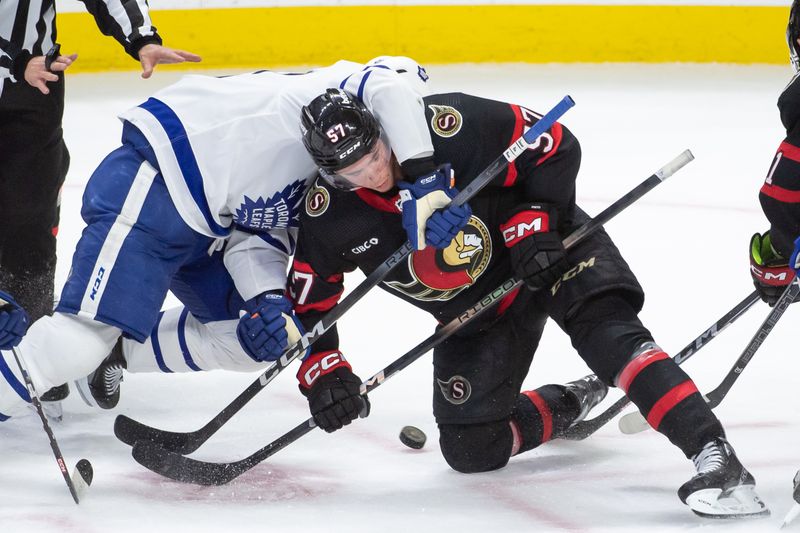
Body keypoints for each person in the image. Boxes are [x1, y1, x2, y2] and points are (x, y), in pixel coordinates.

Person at [287, 88, 769, 518]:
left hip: (548, 249)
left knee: (610, 337)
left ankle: (716, 456)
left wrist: (536, 218)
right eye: (355, 169)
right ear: (332, 175)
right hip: (476, 314)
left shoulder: (445, 126)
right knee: (471, 448)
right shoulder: (328, 218)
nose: (375, 169)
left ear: (380, 128)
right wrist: (325, 373)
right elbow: (311, 305)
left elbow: (554, 140)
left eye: (375, 151)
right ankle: (574, 398)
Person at [0, 56, 440, 417]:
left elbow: (262, 230)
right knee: (79, 340)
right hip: (158, 186)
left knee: (255, 342)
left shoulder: (330, 174)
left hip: (211, 228)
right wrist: (425, 178)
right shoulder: (323, 100)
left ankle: (115, 355)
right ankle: (79, 348)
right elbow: (391, 81)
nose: (378, 173)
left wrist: (267, 301)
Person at [0, 0, 201, 403]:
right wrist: (12, 60)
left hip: (35, 86)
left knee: (30, 225)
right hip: (23, 69)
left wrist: (140, 36)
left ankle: (32, 350)